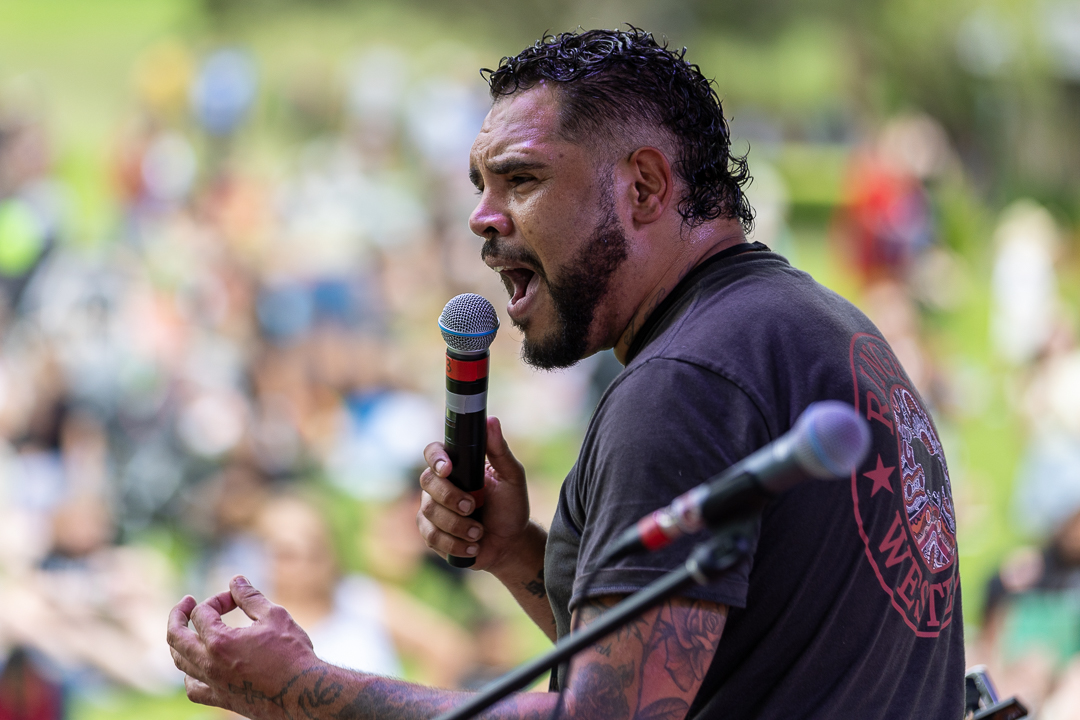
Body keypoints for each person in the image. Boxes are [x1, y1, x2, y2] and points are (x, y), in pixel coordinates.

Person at [168, 28, 965, 719]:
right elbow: (683, 675)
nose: (482, 217)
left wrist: (303, 688)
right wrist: (517, 553)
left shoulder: (687, 384)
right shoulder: (820, 327)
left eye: (522, 179)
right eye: (479, 185)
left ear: (645, 186)